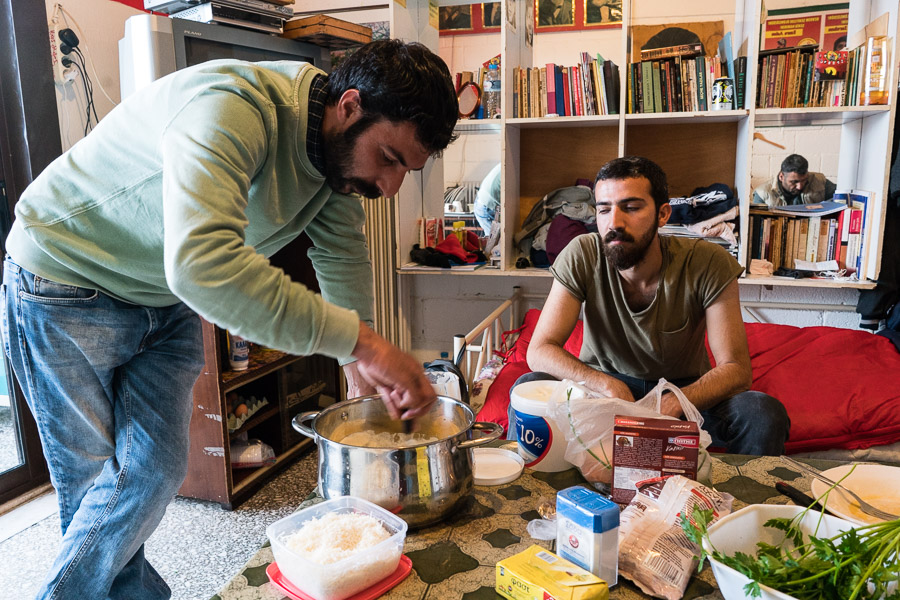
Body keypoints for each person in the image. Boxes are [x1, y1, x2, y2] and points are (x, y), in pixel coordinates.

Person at [1, 39, 457, 600]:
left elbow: (342, 256)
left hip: (160, 296)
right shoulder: (233, 106)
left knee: (152, 472)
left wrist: (356, 364)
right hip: (62, 278)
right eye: (389, 158)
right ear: (349, 106)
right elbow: (202, 264)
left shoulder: (334, 163)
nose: (390, 187)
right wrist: (364, 343)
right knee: (96, 488)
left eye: (406, 169)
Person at [521, 156, 790, 456]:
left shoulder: (708, 262)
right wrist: (607, 386)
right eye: (604, 209)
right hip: (602, 390)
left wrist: (675, 402)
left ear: (663, 214)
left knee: (762, 413)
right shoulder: (582, 254)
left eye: (631, 208)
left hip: (683, 392)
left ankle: (743, 490)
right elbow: (539, 350)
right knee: (529, 384)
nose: (614, 223)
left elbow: (736, 370)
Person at [752, 153, 837, 207]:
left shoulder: (819, 181)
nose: (800, 187)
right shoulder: (762, 194)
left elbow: (840, 200)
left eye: (804, 180)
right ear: (781, 177)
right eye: (794, 182)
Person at [473, 163, 501, 233]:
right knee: (494, 238)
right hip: (487, 207)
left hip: (484, 203)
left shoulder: (506, 164)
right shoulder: (511, 167)